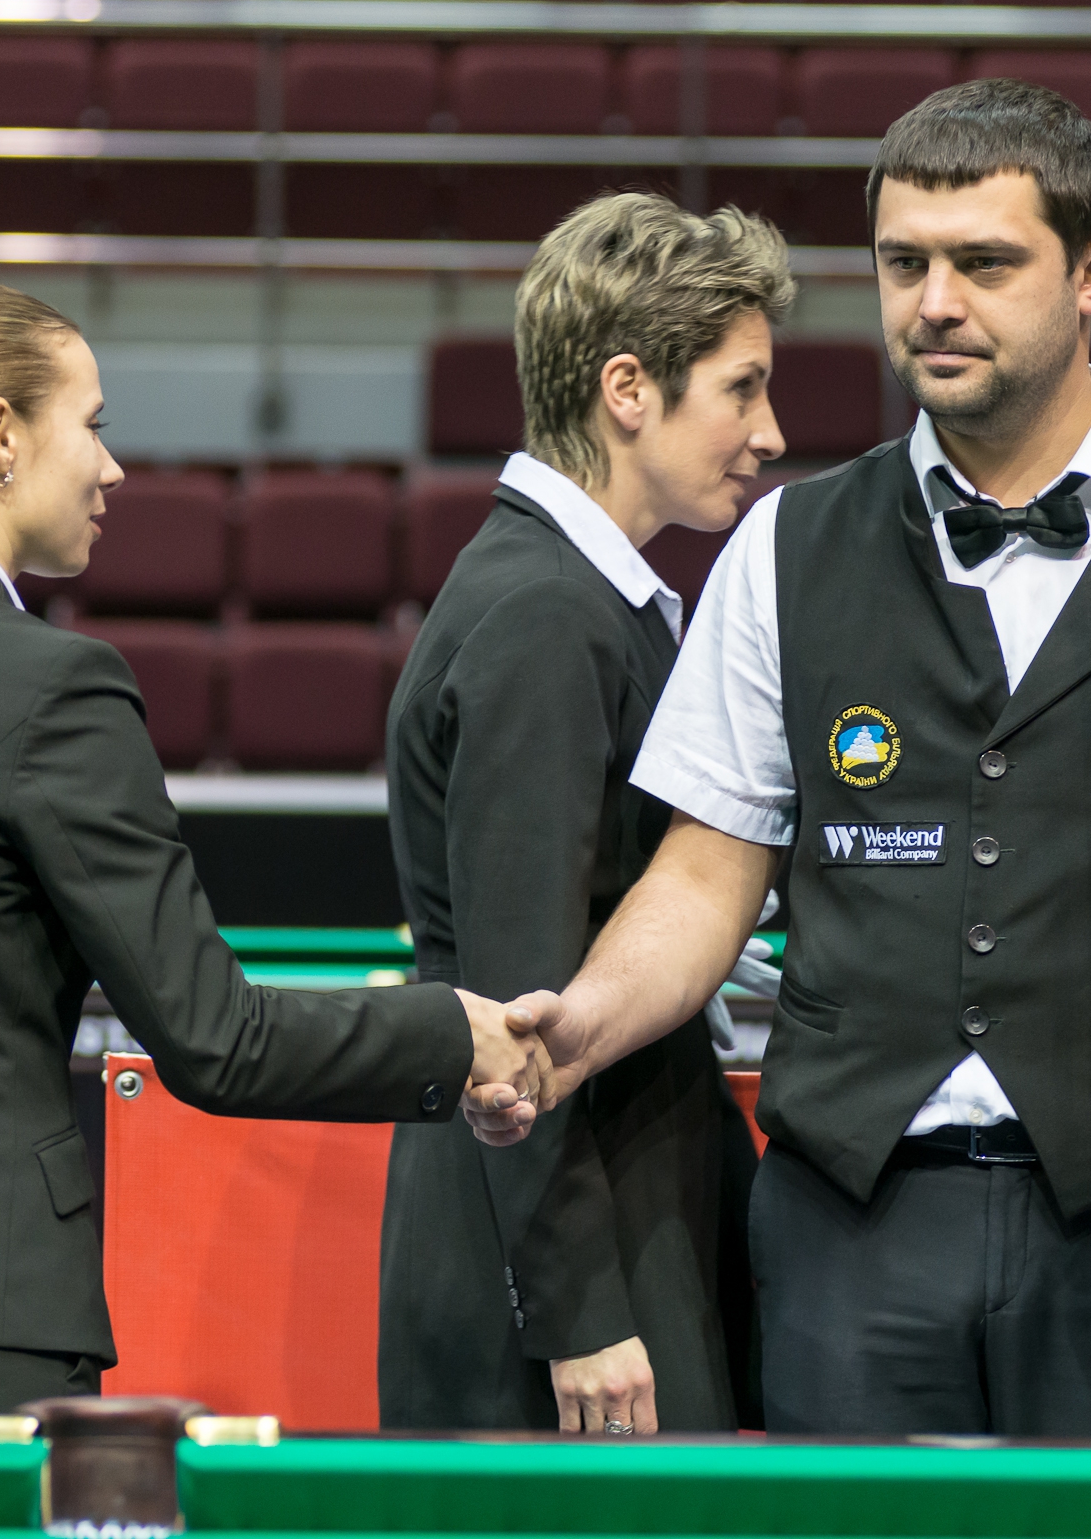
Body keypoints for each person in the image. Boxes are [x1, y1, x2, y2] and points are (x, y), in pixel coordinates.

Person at [514, 80, 1091, 1436]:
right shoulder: (784, 547)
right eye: (902, 264)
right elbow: (703, 880)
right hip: (844, 1225)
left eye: (984, 264)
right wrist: (582, 1023)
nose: (933, 304)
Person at [0, 275, 548, 1427]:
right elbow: (217, 1039)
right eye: (94, 424)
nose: (114, 467)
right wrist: (453, 1031)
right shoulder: (52, 688)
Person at [380, 193, 790, 1436]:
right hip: (568, 1230)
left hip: (605, 1188)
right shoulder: (549, 616)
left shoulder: (568, 597)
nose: (770, 433)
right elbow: (519, 1012)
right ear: (628, 389)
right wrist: (579, 1308)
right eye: (742, 388)